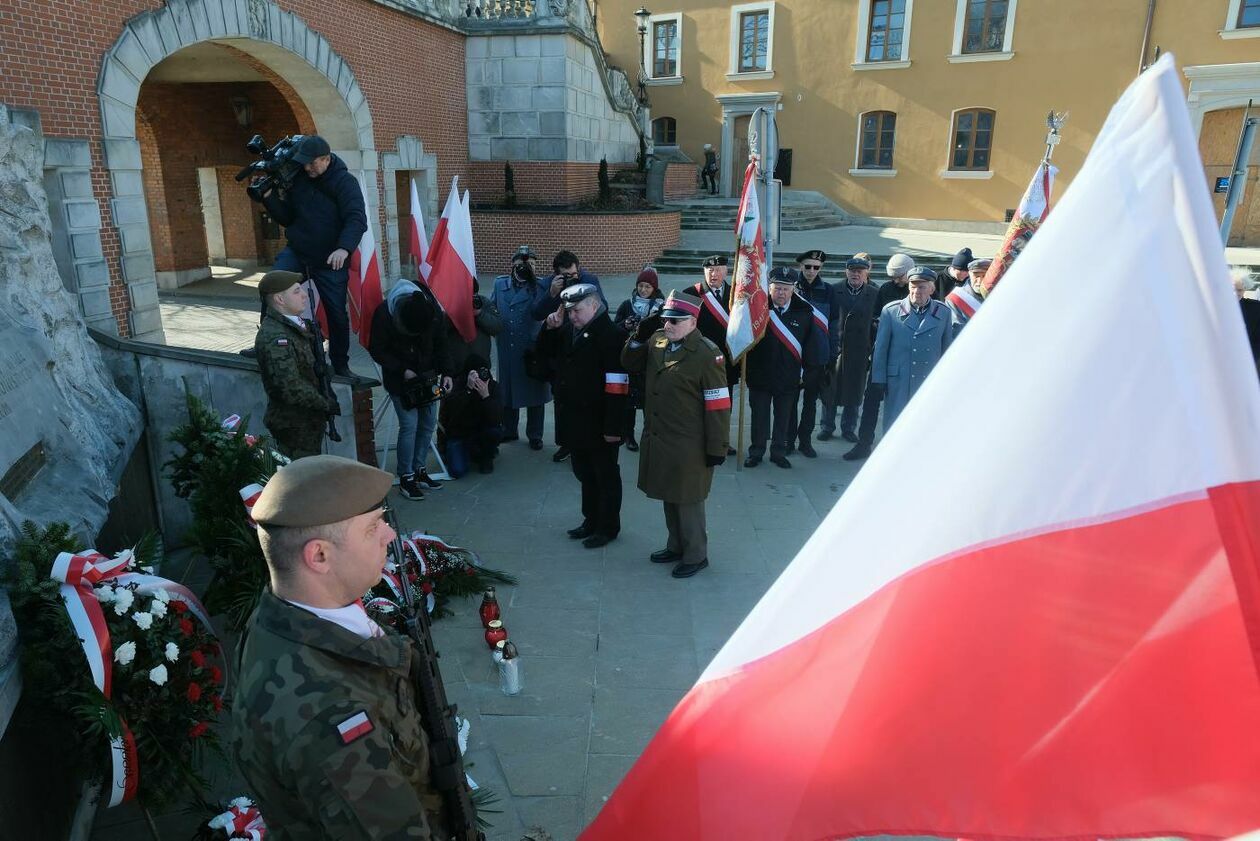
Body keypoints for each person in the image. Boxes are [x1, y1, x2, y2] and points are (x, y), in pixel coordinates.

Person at [233, 455, 450, 839]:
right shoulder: (329, 721)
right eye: (372, 527)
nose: (390, 535)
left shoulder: (283, 614)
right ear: (319, 555)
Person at [622, 290, 730, 579]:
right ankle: (676, 545)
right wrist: (637, 338)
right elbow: (629, 364)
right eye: (666, 320)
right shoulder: (657, 341)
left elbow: (718, 405)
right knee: (669, 494)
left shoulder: (708, 354)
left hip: (689, 443)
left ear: (693, 322)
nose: (668, 325)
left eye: (676, 321)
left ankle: (696, 554)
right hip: (660, 436)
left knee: (688, 501)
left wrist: (717, 446)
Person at [252, 135, 368, 379]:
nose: (306, 168)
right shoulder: (300, 180)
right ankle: (265, 342)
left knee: (336, 312)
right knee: (273, 286)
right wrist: (269, 198)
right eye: (304, 163)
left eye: (312, 163)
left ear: (326, 159)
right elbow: (288, 218)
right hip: (298, 250)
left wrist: (343, 248)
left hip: (330, 258)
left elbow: (356, 219)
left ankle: (340, 363)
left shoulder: (345, 182)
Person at [537, 283, 629, 549]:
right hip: (575, 420)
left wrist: (614, 427)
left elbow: (617, 385)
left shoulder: (611, 335)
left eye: (577, 310)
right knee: (584, 473)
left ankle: (608, 527)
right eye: (569, 311)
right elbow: (545, 356)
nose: (572, 316)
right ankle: (590, 520)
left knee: (605, 475)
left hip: (600, 421)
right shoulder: (571, 331)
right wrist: (548, 329)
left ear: (594, 305)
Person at [368, 279, 453, 501]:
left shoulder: (430, 309)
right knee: (409, 425)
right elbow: (377, 349)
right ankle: (406, 477)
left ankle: (419, 469)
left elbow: (442, 342)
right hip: (400, 379)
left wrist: (448, 372)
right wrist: (401, 369)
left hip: (427, 375)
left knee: (428, 423)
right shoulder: (384, 313)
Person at [746, 268, 823, 468]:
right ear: (769, 289)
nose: (781, 293)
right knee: (759, 417)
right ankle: (756, 451)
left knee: (783, 418)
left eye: (786, 289)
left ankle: (778, 452)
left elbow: (810, 346)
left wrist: (807, 373)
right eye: (777, 288)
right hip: (760, 375)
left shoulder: (804, 312)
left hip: (788, 377)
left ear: (793, 290)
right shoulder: (758, 309)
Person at [254, 270, 333, 460]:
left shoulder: (294, 326)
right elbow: (289, 386)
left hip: (307, 422)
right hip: (294, 426)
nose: (304, 295)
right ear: (280, 299)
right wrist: (324, 403)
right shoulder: (276, 336)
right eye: (297, 291)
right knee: (303, 482)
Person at [844, 254, 914, 461]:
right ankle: (864, 443)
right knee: (871, 401)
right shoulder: (885, 290)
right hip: (882, 354)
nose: (895, 281)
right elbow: (873, 322)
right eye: (892, 276)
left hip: (906, 357)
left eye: (899, 277)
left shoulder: (922, 289)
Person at [867, 266, 953, 436]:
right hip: (898, 381)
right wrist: (878, 380)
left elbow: (947, 351)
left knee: (925, 426)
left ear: (931, 288)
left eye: (922, 287)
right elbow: (881, 349)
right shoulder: (891, 311)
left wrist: (947, 380)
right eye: (913, 286)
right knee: (894, 426)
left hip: (928, 380)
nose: (916, 291)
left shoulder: (943, 312)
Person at [491, 246, 552, 449]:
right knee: (508, 391)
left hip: (531, 348)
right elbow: (492, 308)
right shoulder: (500, 285)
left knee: (535, 392)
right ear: (513, 265)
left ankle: (535, 434)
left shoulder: (542, 287)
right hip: (507, 347)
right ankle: (509, 430)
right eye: (522, 264)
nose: (526, 268)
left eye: (532, 264)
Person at [820, 253, 880, 443]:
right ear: (846, 271)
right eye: (852, 271)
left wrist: (871, 348)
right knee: (830, 391)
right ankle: (826, 427)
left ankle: (848, 428)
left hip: (860, 350)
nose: (856, 274)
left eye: (860, 271)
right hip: (837, 348)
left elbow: (878, 323)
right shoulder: (834, 290)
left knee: (854, 392)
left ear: (866, 273)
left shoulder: (874, 293)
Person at [787, 249, 839, 458]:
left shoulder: (828, 291)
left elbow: (834, 324)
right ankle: (788, 440)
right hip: (792, 355)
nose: (811, 271)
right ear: (800, 266)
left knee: (810, 403)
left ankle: (805, 441)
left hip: (816, 356)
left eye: (816, 267)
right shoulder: (790, 287)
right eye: (807, 266)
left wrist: (832, 354)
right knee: (789, 402)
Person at [688, 254, 740, 454]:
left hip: (727, 364)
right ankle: (698, 441)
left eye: (718, 270)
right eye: (709, 270)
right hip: (699, 362)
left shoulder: (737, 294)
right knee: (697, 404)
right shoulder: (692, 294)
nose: (714, 274)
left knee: (723, 406)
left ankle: (721, 442)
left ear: (726, 272)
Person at [614, 266, 666, 450]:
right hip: (630, 360)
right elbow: (614, 331)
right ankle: (628, 436)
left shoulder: (661, 306)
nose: (643, 290)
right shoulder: (626, 305)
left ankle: (649, 435)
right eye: (641, 286)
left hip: (651, 360)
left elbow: (666, 331)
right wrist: (625, 325)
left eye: (647, 287)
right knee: (629, 403)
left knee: (649, 402)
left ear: (654, 289)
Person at [441, 354, 503, 477]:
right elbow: (452, 416)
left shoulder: (493, 386)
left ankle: (486, 455)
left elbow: (497, 419)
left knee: (495, 431)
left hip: (483, 432)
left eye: (483, 371)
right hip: (460, 433)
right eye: (475, 373)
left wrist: (486, 397)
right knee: (457, 471)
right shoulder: (458, 384)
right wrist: (468, 390)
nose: (479, 377)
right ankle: (466, 452)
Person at [445, 277, 503, 375]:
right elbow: (441, 328)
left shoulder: (483, 302)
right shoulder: (450, 303)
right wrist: (456, 313)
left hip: (481, 365)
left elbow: (497, 326)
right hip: (456, 367)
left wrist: (479, 314)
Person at [530, 249, 607, 322]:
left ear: (578, 270)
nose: (571, 279)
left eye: (574, 274)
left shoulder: (588, 280)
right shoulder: (546, 284)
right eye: (567, 276)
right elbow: (536, 314)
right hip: (558, 329)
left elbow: (603, 307)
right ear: (556, 275)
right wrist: (551, 294)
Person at [945, 257, 990, 337]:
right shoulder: (955, 299)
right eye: (976, 276)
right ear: (969, 274)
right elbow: (957, 333)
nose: (979, 281)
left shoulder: (999, 294)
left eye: (984, 276)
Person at [1234, 268, 1260, 377]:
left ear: (1245, 289)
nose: (1235, 293)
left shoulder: (1255, 308)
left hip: (1247, 362)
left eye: (1239, 290)